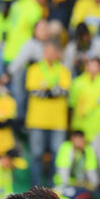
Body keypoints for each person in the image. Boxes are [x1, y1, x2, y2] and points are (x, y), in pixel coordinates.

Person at [25, 41, 71, 187]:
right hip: (37, 120)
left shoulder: (63, 71)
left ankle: (54, 186)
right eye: (47, 52)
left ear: (58, 54)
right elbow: (33, 91)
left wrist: (45, 91)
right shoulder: (34, 69)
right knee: (36, 154)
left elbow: (64, 91)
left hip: (57, 121)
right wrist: (53, 91)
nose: (49, 55)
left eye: (52, 52)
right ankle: (35, 187)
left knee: (57, 155)